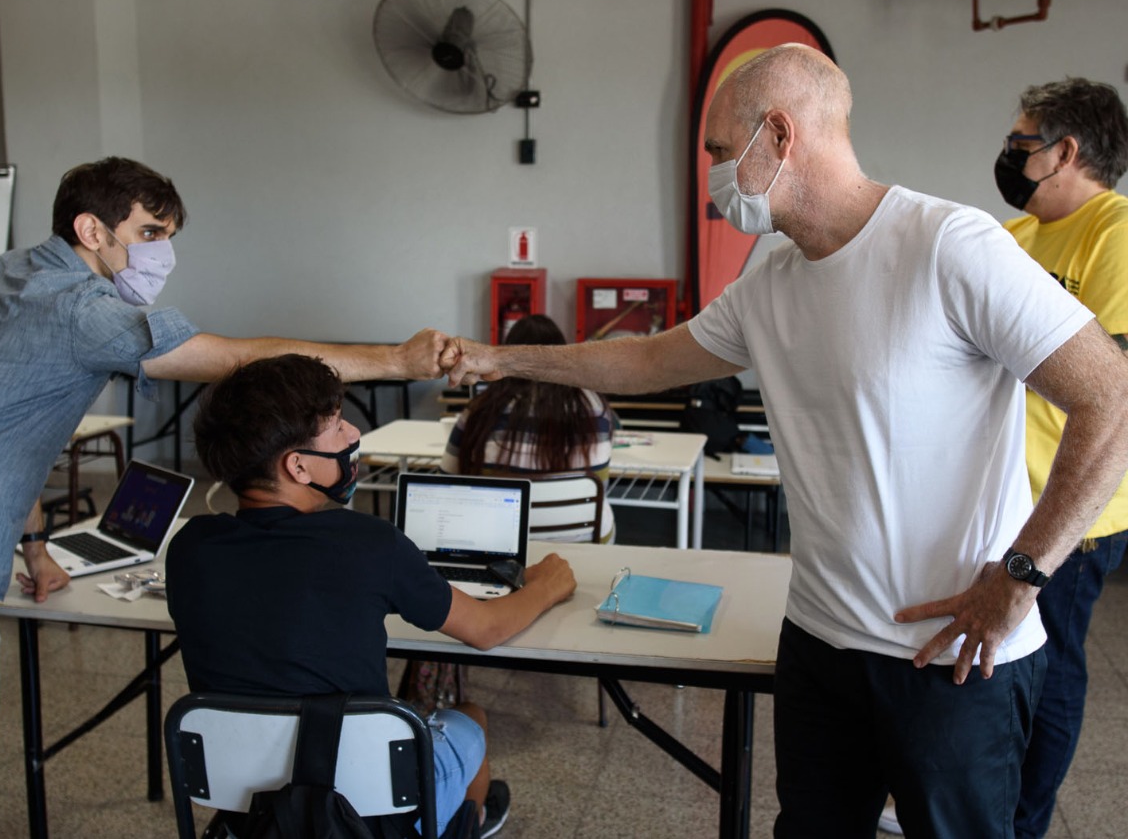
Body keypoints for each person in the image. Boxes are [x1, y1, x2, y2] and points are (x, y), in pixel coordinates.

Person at [440, 44, 1128, 837]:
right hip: (821, 642)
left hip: (952, 656)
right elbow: (645, 359)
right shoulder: (770, 280)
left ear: (778, 134)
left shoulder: (949, 246)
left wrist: (1021, 574)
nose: (715, 176)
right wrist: (497, 358)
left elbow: (1109, 397)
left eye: (721, 153)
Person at [0, 157, 448, 838]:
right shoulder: (81, 310)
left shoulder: (7, 274)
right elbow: (235, 360)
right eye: (151, 232)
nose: (163, 251)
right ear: (92, 229)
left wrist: (35, 547)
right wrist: (399, 361)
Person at [166, 354, 577, 837]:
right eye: (337, 426)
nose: (354, 435)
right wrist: (549, 584)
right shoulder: (369, 544)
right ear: (297, 465)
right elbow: (486, 629)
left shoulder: (190, 547)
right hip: (368, 808)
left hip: (244, 805)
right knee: (470, 718)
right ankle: (470, 821)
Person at [995, 78, 1128, 839]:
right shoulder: (1015, 237)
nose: (1009, 157)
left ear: (1064, 152)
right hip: (1005, 497)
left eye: (1021, 144)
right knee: (1003, 663)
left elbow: (1114, 386)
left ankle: (1023, 821)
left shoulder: (1114, 233)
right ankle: (983, 798)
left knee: (1049, 671)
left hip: (1076, 507)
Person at [440, 314, 616, 543]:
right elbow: (601, 484)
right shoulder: (594, 406)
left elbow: (445, 481)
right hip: (585, 540)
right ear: (562, 353)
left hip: (496, 545)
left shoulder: (482, 408)